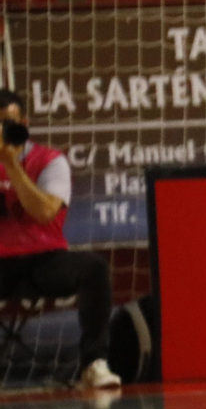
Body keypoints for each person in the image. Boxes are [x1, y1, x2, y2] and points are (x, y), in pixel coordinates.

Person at [0, 88, 120, 390]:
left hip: (43, 259)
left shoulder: (51, 161)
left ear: (24, 124)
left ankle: (93, 364)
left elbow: (44, 212)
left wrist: (11, 165)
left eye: (9, 124)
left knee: (93, 268)